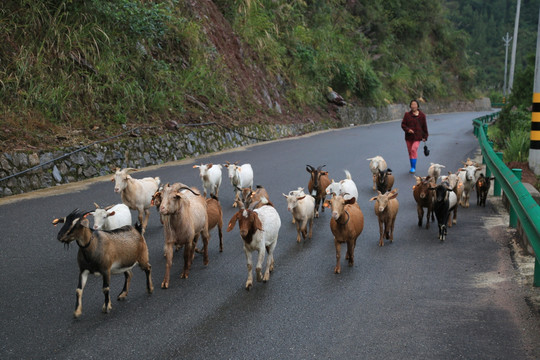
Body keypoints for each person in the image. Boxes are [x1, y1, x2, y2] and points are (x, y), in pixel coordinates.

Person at [401, 99, 428, 173]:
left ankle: (413, 167)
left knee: (413, 150)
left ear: (417, 106)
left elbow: (424, 127)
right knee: (410, 152)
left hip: (417, 137)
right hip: (408, 137)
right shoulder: (407, 115)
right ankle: (412, 166)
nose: (413, 106)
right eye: (412, 104)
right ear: (410, 106)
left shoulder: (422, 115)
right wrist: (408, 130)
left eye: (415, 104)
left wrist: (425, 136)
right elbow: (403, 125)